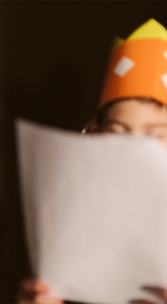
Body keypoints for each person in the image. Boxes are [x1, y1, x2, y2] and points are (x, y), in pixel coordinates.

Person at [18, 18, 167, 304]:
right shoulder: (68, 225)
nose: (133, 150)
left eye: (153, 135)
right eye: (118, 132)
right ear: (96, 136)